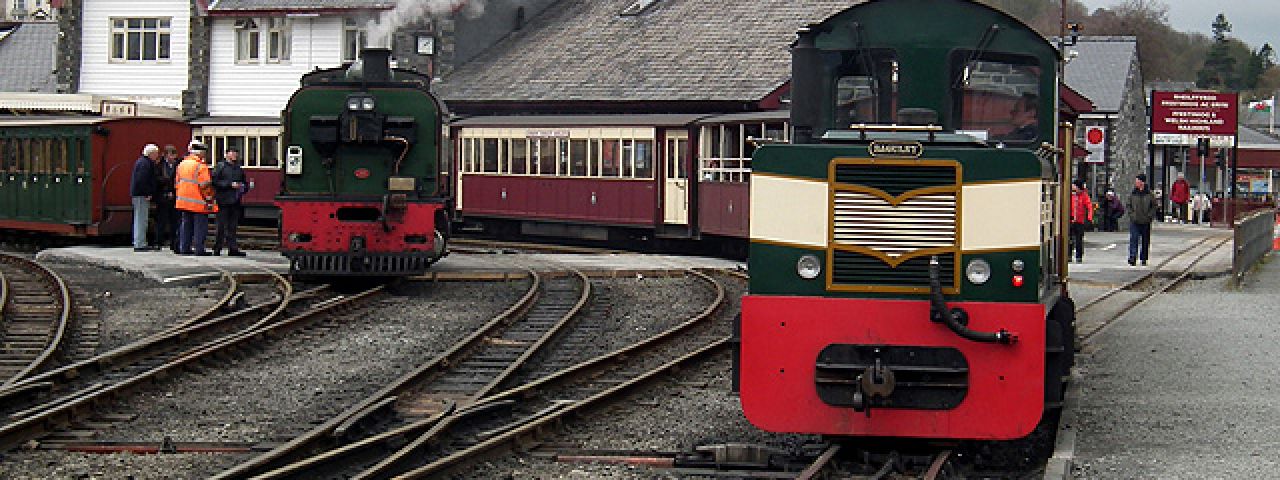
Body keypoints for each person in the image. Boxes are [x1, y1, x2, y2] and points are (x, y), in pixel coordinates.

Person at [175, 141, 218, 256]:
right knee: (200, 227)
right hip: (198, 202)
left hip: (183, 201)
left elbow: (177, 182)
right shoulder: (201, 166)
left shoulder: (182, 164)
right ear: (201, 153)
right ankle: (199, 249)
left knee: (186, 225)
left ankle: (184, 247)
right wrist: (209, 198)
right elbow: (205, 185)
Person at [211, 147, 248, 257]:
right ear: (226, 155)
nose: (235, 156)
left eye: (236, 154)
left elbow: (243, 181)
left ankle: (233, 248)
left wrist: (243, 187)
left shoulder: (238, 168)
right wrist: (229, 184)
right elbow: (214, 182)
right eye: (232, 154)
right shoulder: (220, 167)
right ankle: (217, 248)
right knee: (221, 226)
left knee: (232, 226)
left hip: (235, 201)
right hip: (223, 200)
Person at [129, 144, 161, 251]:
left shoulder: (142, 162)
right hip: (141, 195)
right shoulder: (145, 164)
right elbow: (142, 180)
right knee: (141, 219)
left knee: (139, 218)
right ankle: (140, 243)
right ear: (151, 153)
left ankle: (138, 241)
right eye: (156, 153)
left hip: (138, 194)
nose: (157, 156)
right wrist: (147, 193)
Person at [153, 145, 181, 253]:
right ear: (166, 155)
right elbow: (156, 179)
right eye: (171, 155)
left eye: (174, 155)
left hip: (174, 196)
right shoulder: (159, 165)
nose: (173, 157)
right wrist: (166, 182)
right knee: (161, 221)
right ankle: (158, 242)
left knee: (175, 221)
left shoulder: (178, 165)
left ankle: (174, 242)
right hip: (162, 196)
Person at [1126, 174, 1158, 267]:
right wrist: (1132, 215)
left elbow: (1154, 206)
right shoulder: (1133, 193)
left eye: (1137, 181)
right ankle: (1132, 257)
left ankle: (1143, 258)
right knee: (1134, 239)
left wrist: (1149, 216)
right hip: (1135, 221)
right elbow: (1128, 205)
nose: (1136, 182)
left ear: (1142, 182)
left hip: (1145, 221)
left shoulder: (1149, 194)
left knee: (1145, 240)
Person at [1069, 179, 1092, 262]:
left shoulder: (1084, 196)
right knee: (1069, 239)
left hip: (1080, 220)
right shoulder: (1070, 195)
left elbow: (1089, 207)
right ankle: (1068, 255)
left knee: (1079, 239)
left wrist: (1089, 218)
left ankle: (1079, 256)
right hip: (1070, 219)